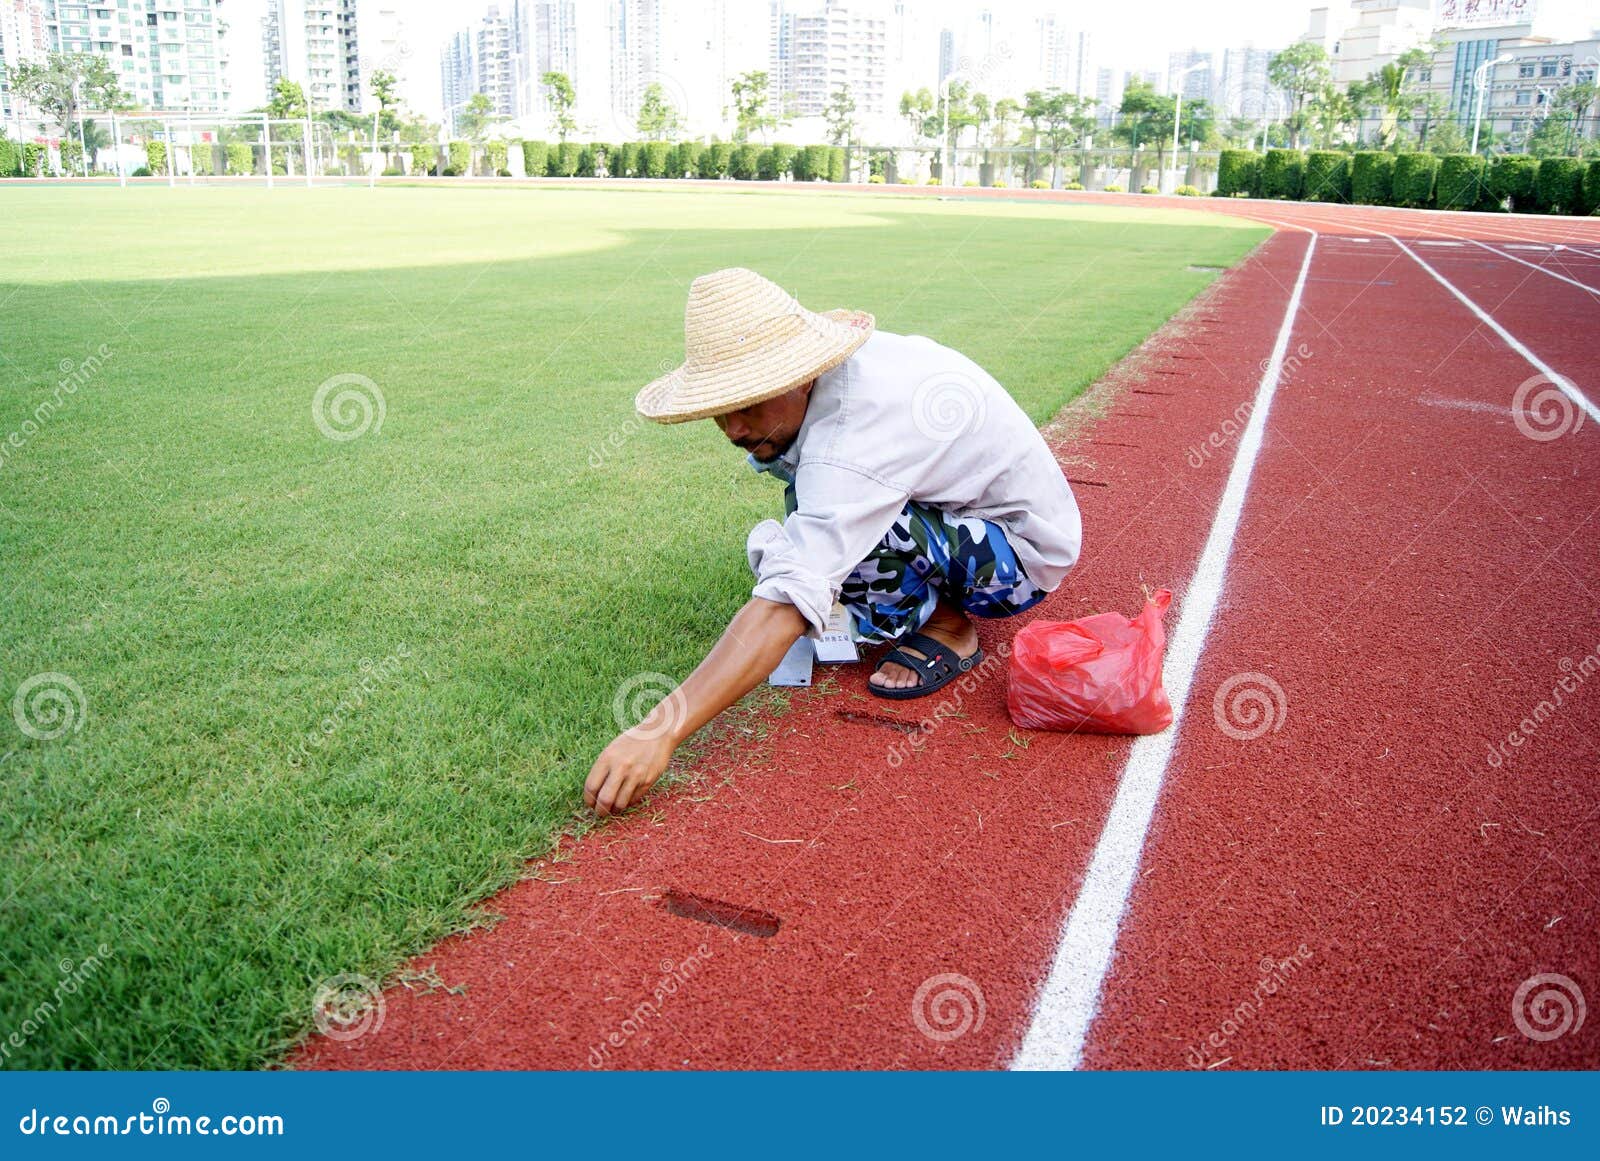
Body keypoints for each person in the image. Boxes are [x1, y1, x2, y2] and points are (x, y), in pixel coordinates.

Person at [584, 267, 1081, 816]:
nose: (733, 429)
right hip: (962, 514)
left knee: (862, 540)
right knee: (812, 501)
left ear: (800, 378)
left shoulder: (856, 435)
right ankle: (914, 594)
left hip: (1019, 556)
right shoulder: (837, 390)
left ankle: (949, 626)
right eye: (721, 409)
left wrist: (660, 730)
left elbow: (787, 599)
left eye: (747, 404)